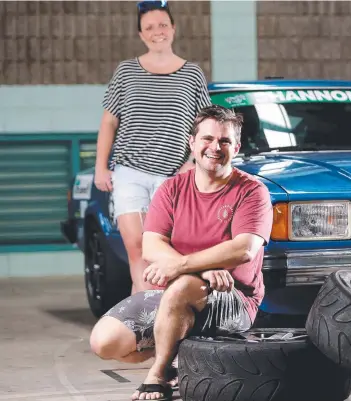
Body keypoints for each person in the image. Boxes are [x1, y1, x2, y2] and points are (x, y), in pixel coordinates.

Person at [89, 105, 274, 401]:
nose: (215, 147)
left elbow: (244, 249)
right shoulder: (171, 189)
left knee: (183, 286)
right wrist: (199, 270)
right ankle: (178, 353)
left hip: (234, 298)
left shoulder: (252, 191)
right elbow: (151, 246)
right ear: (192, 143)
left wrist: (184, 268)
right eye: (207, 139)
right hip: (174, 293)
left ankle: (159, 374)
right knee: (104, 342)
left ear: (236, 147)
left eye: (224, 141)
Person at [94, 0, 212, 294]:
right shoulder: (126, 72)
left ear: (173, 28)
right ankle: (146, 324)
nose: (157, 31)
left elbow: (205, 128)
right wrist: (100, 167)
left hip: (171, 178)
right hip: (129, 172)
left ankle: (148, 322)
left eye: (162, 25)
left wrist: (192, 164)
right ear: (141, 34)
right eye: (149, 27)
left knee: (162, 251)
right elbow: (109, 123)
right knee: (137, 250)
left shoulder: (192, 74)